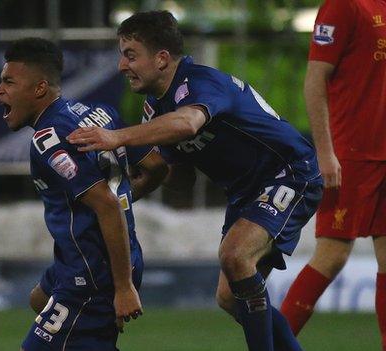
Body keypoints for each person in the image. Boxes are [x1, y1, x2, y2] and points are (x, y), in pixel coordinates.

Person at [67, 11, 324, 351]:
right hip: (246, 192)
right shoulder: (155, 108)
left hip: (290, 172)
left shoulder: (201, 82)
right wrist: (119, 195)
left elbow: (187, 124)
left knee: (235, 256)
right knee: (230, 299)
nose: (121, 66)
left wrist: (116, 137)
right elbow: (178, 176)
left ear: (161, 59)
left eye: (130, 55)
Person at [0, 37, 167, 351]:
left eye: (8, 81)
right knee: (39, 299)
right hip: (82, 260)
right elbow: (155, 166)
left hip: (92, 271)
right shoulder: (98, 112)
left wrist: (122, 288)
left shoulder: (49, 140)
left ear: (39, 89)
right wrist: (126, 197)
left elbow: (107, 206)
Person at [279, 1, 386, 349]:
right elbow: (315, 79)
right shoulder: (342, 6)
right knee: (333, 253)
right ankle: (273, 343)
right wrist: (326, 152)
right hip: (351, 154)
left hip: (383, 153)